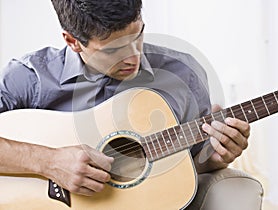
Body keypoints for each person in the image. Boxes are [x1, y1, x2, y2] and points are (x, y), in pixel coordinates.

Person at [0, 0, 250, 209]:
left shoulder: (183, 73)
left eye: (138, 35)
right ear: (73, 41)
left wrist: (214, 158)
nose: (133, 57)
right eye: (112, 50)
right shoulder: (30, 78)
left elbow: (186, 169)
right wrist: (48, 161)